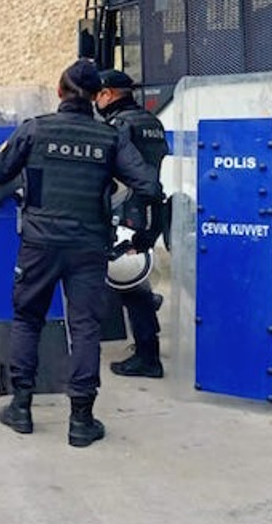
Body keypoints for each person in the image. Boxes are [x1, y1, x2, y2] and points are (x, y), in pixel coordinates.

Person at [0, 59, 161, 448]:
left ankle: (21, 406)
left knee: (28, 319)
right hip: (88, 244)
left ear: (61, 90)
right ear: (95, 97)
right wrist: (112, 200)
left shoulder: (36, 128)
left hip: (40, 242)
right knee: (84, 326)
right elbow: (148, 184)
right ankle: (81, 419)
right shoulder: (109, 137)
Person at [95, 70, 169, 379]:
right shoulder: (152, 121)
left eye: (98, 95)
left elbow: (114, 172)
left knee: (131, 284)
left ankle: (148, 357)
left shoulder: (119, 126)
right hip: (152, 211)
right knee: (136, 282)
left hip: (128, 211)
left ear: (108, 94)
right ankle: (147, 342)